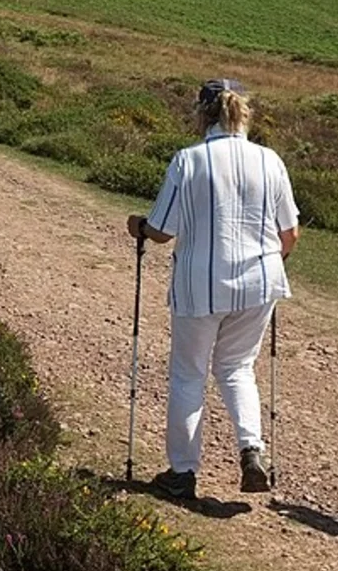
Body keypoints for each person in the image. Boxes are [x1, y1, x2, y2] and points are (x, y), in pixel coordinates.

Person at [125, 78, 299, 500]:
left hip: (200, 284)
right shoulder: (270, 160)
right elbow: (289, 233)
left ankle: (183, 473)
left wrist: (139, 228)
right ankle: (251, 449)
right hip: (259, 283)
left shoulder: (189, 160)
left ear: (203, 115)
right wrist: (268, 263)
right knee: (238, 368)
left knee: (189, 373)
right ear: (242, 114)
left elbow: (164, 231)